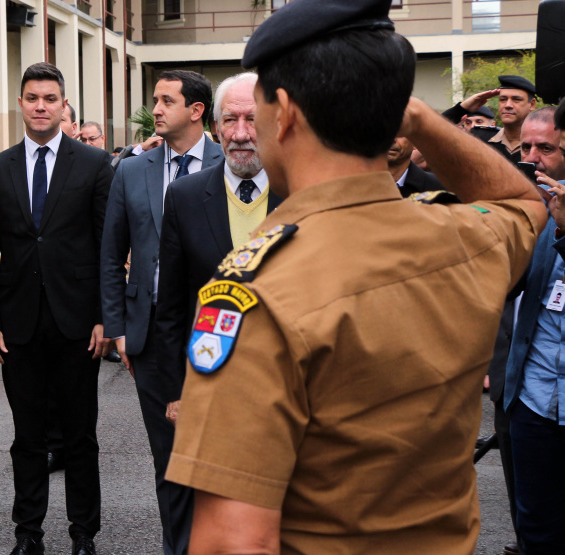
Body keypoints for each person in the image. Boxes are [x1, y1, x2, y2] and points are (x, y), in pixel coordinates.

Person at [164, 0, 547, 553]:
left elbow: (233, 542)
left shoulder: (257, 293)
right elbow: (520, 200)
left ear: (285, 112)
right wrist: (417, 118)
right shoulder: (465, 238)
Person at [0, 62, 112, 555]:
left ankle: (84, 534)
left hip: (79, 322)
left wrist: (104, 315)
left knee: (80, 436)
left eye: (50, 98)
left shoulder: (95, 165)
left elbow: (105, 244)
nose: (40, 106)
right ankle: (27, 533)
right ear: (21, 104)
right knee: (27, 438)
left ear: (63, 106)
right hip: (18, 325)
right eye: (32, 98)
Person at [100, 68, 221, 555]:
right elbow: (111, 255)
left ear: (196, 110)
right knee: (168, 458)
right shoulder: (132, 170)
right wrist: (119, 328)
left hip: (220, 333)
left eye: (167, 100)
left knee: (220, 455)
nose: (156, 109)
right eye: (155, 100)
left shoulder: (232, 162)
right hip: (149, 337)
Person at [156, 71, 283, 430]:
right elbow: (171, 306)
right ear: (215, 127)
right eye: (230, 120)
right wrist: (175, 390)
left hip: (285, 384)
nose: (241, 134)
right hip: (208, 380)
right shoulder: (184, 197)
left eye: (253, 120)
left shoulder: (301, 192)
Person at [502, 104, 565, 554]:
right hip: (533, 401)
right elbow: (501, 287)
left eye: (546, 147)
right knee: (536, 530)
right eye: (526, 146)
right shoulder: (527, 211)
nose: (533, 157)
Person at [443, 75, 537, 164]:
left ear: (532, 104)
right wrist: (461, 109)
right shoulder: (479, 138)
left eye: (516, 99)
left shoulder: (542, 144)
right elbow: (434, 135)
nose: (508, 105)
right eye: (503, 99)